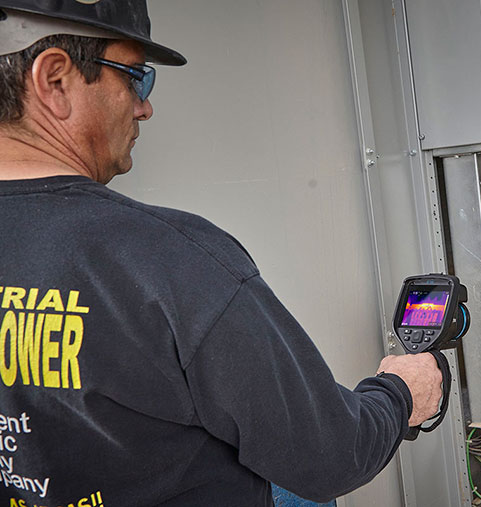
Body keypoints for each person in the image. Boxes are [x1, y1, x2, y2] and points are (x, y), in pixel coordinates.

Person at [0, 1, 443, 505]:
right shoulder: (170, 259)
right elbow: (330, 456)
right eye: (135, 78)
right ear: (55, 80)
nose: (145, 106)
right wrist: (401, 392)